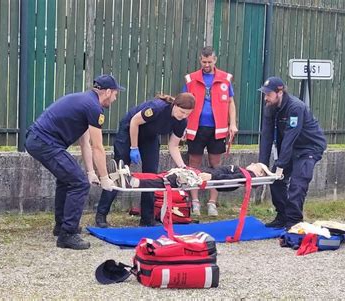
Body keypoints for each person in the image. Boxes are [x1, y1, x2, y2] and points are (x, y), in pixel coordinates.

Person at [24, 74, 124, 250]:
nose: (115, 98)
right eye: (115, 94)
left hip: (39, 140)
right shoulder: (94, 108)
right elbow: (98, 147)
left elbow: (85, 143)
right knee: (78, 183)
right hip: (45, 142)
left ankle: (62, 226)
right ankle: (67, 235)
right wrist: (105, 177)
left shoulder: (85, 102)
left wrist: (91, 172)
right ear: (107, 92)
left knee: (68, 180)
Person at [95, 93, 195, 227]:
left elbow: (173, 145)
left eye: (187, 114)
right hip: (129, 131)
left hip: (150, 137)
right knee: (118, 174)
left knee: (152, 176)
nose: (183, 116)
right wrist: (134, 147)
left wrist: (182, 166)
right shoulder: (156, 108)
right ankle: (101, 215)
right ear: (174, 105)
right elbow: (134, 122)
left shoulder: (182, 121)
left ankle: (147, 219)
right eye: (182, 112)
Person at [258, 76, 327, 230]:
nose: (265, 98)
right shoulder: (270, 107)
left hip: (309, 147)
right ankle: (282, 216)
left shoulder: (296, 107)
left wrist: (281, 164)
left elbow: (290, 136)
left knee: (298, 183)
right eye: (265, 94)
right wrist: (262, 165)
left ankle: (294, 222)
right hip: (290, 147)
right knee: (275, 180)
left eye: (268, 94)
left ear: (280, 92)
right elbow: (266, 136)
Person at [182, 46, 238, 217]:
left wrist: (232, 124)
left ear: (215, 60)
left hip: (218, 129)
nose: (206, 64)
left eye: (209, 61)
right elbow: (183, 104)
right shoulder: (191, 79)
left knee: (216, 166)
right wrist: (183, 126)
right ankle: (195, 202)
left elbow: (230, 102)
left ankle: (212, 202)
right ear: (200, 60)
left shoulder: (225, 79)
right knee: (194, 165)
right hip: (196, 128)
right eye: (204, 61)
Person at [111, 162, 278, 190]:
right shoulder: (243, 172)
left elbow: (227, 180)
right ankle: (131, 177)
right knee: (166, 177)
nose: (252, 163)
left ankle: (134, 181)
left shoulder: (246, 174)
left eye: (256, 164)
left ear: (260, 172)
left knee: (166, 181)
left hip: (199, 177)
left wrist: (212, 178)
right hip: (198, 174)